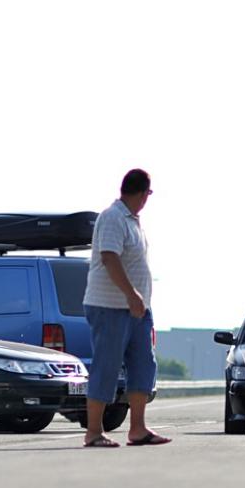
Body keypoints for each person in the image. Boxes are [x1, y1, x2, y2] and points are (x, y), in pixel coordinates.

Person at [80, 169, 167, 448]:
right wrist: (131, 294)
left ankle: (138, 429)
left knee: (143, 364)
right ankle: (94, 431)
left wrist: (138, 300)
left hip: (138, 310)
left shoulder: (133, 221)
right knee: (106, 366)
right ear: (143, 194)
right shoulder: (113, 217)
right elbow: (109, 258)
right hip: (110, 306)